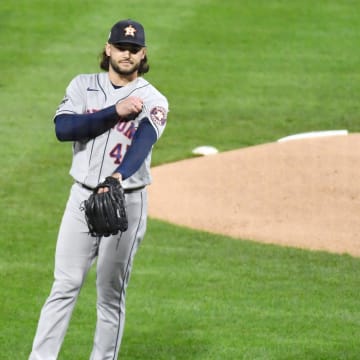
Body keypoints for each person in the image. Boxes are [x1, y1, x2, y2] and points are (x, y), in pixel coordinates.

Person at [29, 19, 168, 360]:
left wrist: (117, 177)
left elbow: (143, 142)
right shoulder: (82, 86)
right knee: (64, 285)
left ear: (143, 54)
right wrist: (114, 113)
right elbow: (65, 129)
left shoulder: (154, 99)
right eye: (121, 47)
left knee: (110, 293)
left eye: (134, 50)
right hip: (81, 198)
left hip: (125, 202)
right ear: (108, 49)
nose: (127, 54)